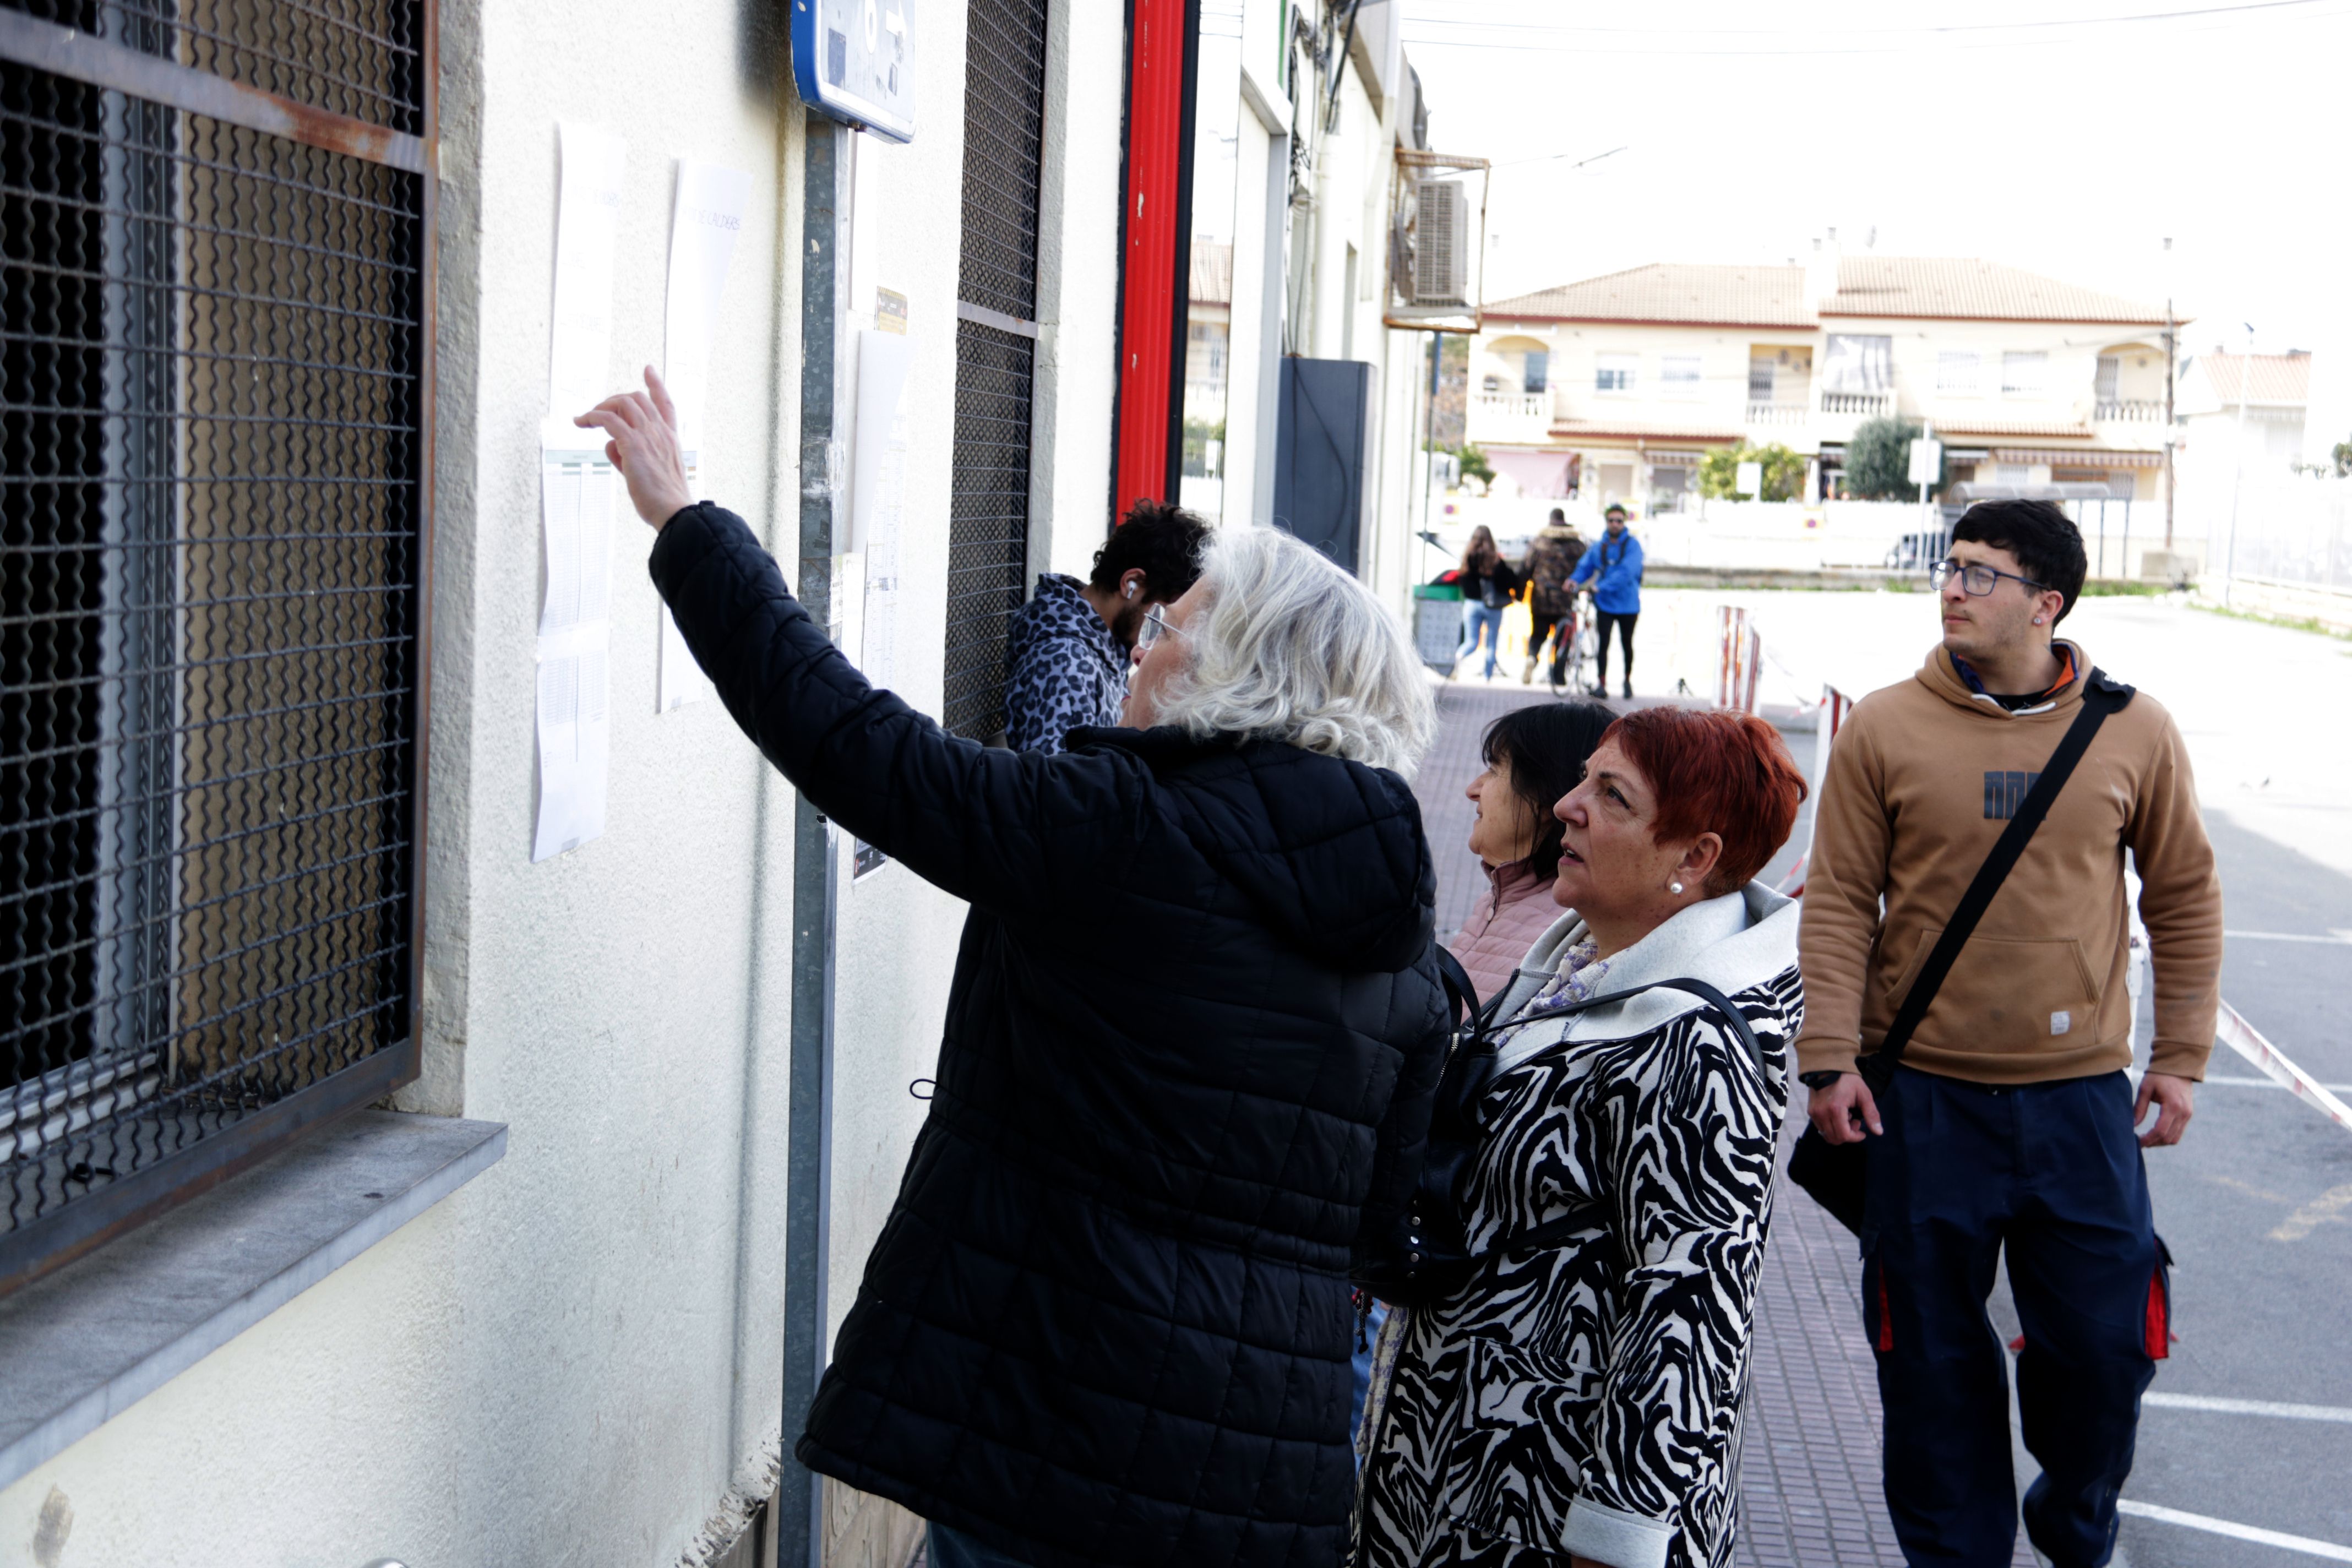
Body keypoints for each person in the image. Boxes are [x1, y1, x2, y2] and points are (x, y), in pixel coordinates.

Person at [578, 368, 1451, 1568]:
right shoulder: (1405, 937)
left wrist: (687, 523)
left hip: (1062, 1431)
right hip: (1263, 1475)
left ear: (1237, 673)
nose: (1138, 656)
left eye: (1170, 630)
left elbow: (863, 749)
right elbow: (1383, 1231)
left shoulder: (1128, 830)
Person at [1796, 499, 2222, 1568]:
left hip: (2080, 1099)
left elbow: (2183, 896)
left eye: (1983, 573)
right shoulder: (1888, 726)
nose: (1954, 586)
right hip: (1924, 1100)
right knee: (1931, 1372)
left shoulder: (2136, 728)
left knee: (2103, 1348)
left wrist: (2180, 1057)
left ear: (2049, 602)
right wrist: (1829, 1055)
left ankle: (2076, 1513)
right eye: (1952, 565)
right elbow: (1841, 899)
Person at [1357, 705, 1810, 1568]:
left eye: (1613, 796)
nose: (1569, 806)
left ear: (1695, 857)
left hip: (1547, 1509)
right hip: (1460, 1476)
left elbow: (1694, 1303)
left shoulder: (1693, 1036)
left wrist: (1619, 1536)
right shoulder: (1573, 970)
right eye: (1582, 780)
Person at [1003, 497, 1211, 754]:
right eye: (1162, 616)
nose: (1159, 634)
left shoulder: (1098, 651)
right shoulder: (1065, 663)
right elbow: (1055, 788)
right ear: (1131, 583)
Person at [1446, 701, 1616, 1000]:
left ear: (1545, 797)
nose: (1473, 789)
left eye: (1494, 771)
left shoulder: (1562, 941)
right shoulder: (1497, 899)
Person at [1570, 503, 1643, 699]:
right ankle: (1601, 683)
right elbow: (1585, 566)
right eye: (1611, 521)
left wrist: (1602, 586)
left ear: (1624, 522)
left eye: (1619, 521)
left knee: (1626, 643)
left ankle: (1627, 680)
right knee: (1604, 643)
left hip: (1628, 604)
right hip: (1605, 604)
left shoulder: (1633, 546)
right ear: (1607, 522)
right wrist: (1573, 580)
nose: (1615, 524)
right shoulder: (1599, 546)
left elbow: (1627, 572)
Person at [1520, 508, 1588, 689]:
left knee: (1538, 634)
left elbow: (1525, 567)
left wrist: (1519, 593)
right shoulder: (1577, 545)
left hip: (1542, 597)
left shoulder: (1540, 543)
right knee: (1564, 637)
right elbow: (1587, 567)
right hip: (1565, 599)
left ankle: (1532, 658)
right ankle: (1558, 676)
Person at [1452, 525, 1521, 680]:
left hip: (1471, 604)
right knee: (1491, 643)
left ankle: (1457, 658)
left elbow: (1462, 580)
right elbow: (1510, 580)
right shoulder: (1495, 560)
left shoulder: (1466, 559)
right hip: (1493, 606)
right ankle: (1487, 677)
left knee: (1471, 642)